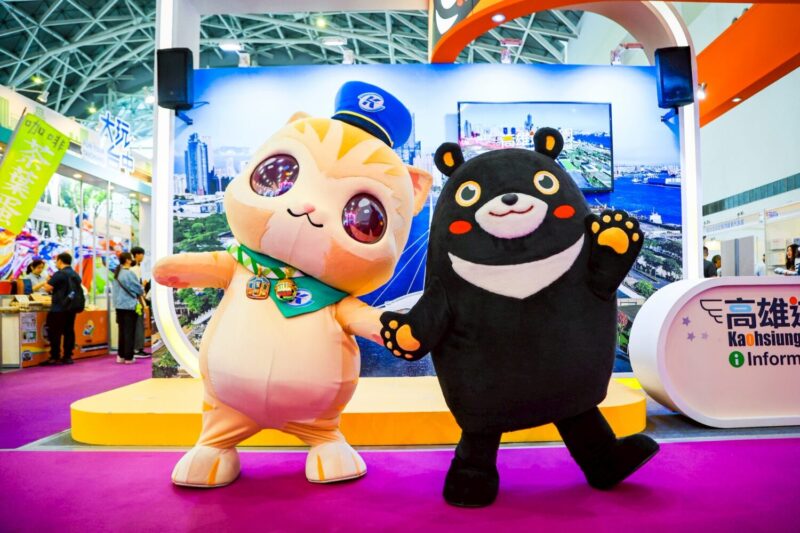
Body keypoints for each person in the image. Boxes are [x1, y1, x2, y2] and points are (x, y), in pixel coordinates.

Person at [41, 252, 84, 366]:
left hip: (58, 308)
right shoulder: (75, 274)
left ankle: (55, 356)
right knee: (69, 331)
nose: (56, 263)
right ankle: (68, 356)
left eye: (56, 261)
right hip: (71, 308)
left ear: (60, 261)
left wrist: (46, 281)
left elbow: (48, 288)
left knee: (54, 333)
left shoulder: (59, 274)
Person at [113, 252, 143, 364]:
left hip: (119, 306)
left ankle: (121, 355)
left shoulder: (117, 274)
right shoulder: (129, 274)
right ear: (127, 260)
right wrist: (141, 290)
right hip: (129, 306)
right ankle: (129, 357)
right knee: (130, 332)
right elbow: (138, 288)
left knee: (122, 331)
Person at [130, 246, 150, 358]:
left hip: (136, 301)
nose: (143, 257)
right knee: (138, 324)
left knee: (139, 324)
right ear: (137, 255)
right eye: (142, 254)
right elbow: (137, 287)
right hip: (137, 301)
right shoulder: (135, 269)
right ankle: (138, 348)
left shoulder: (135, 269)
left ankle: (137, 347)